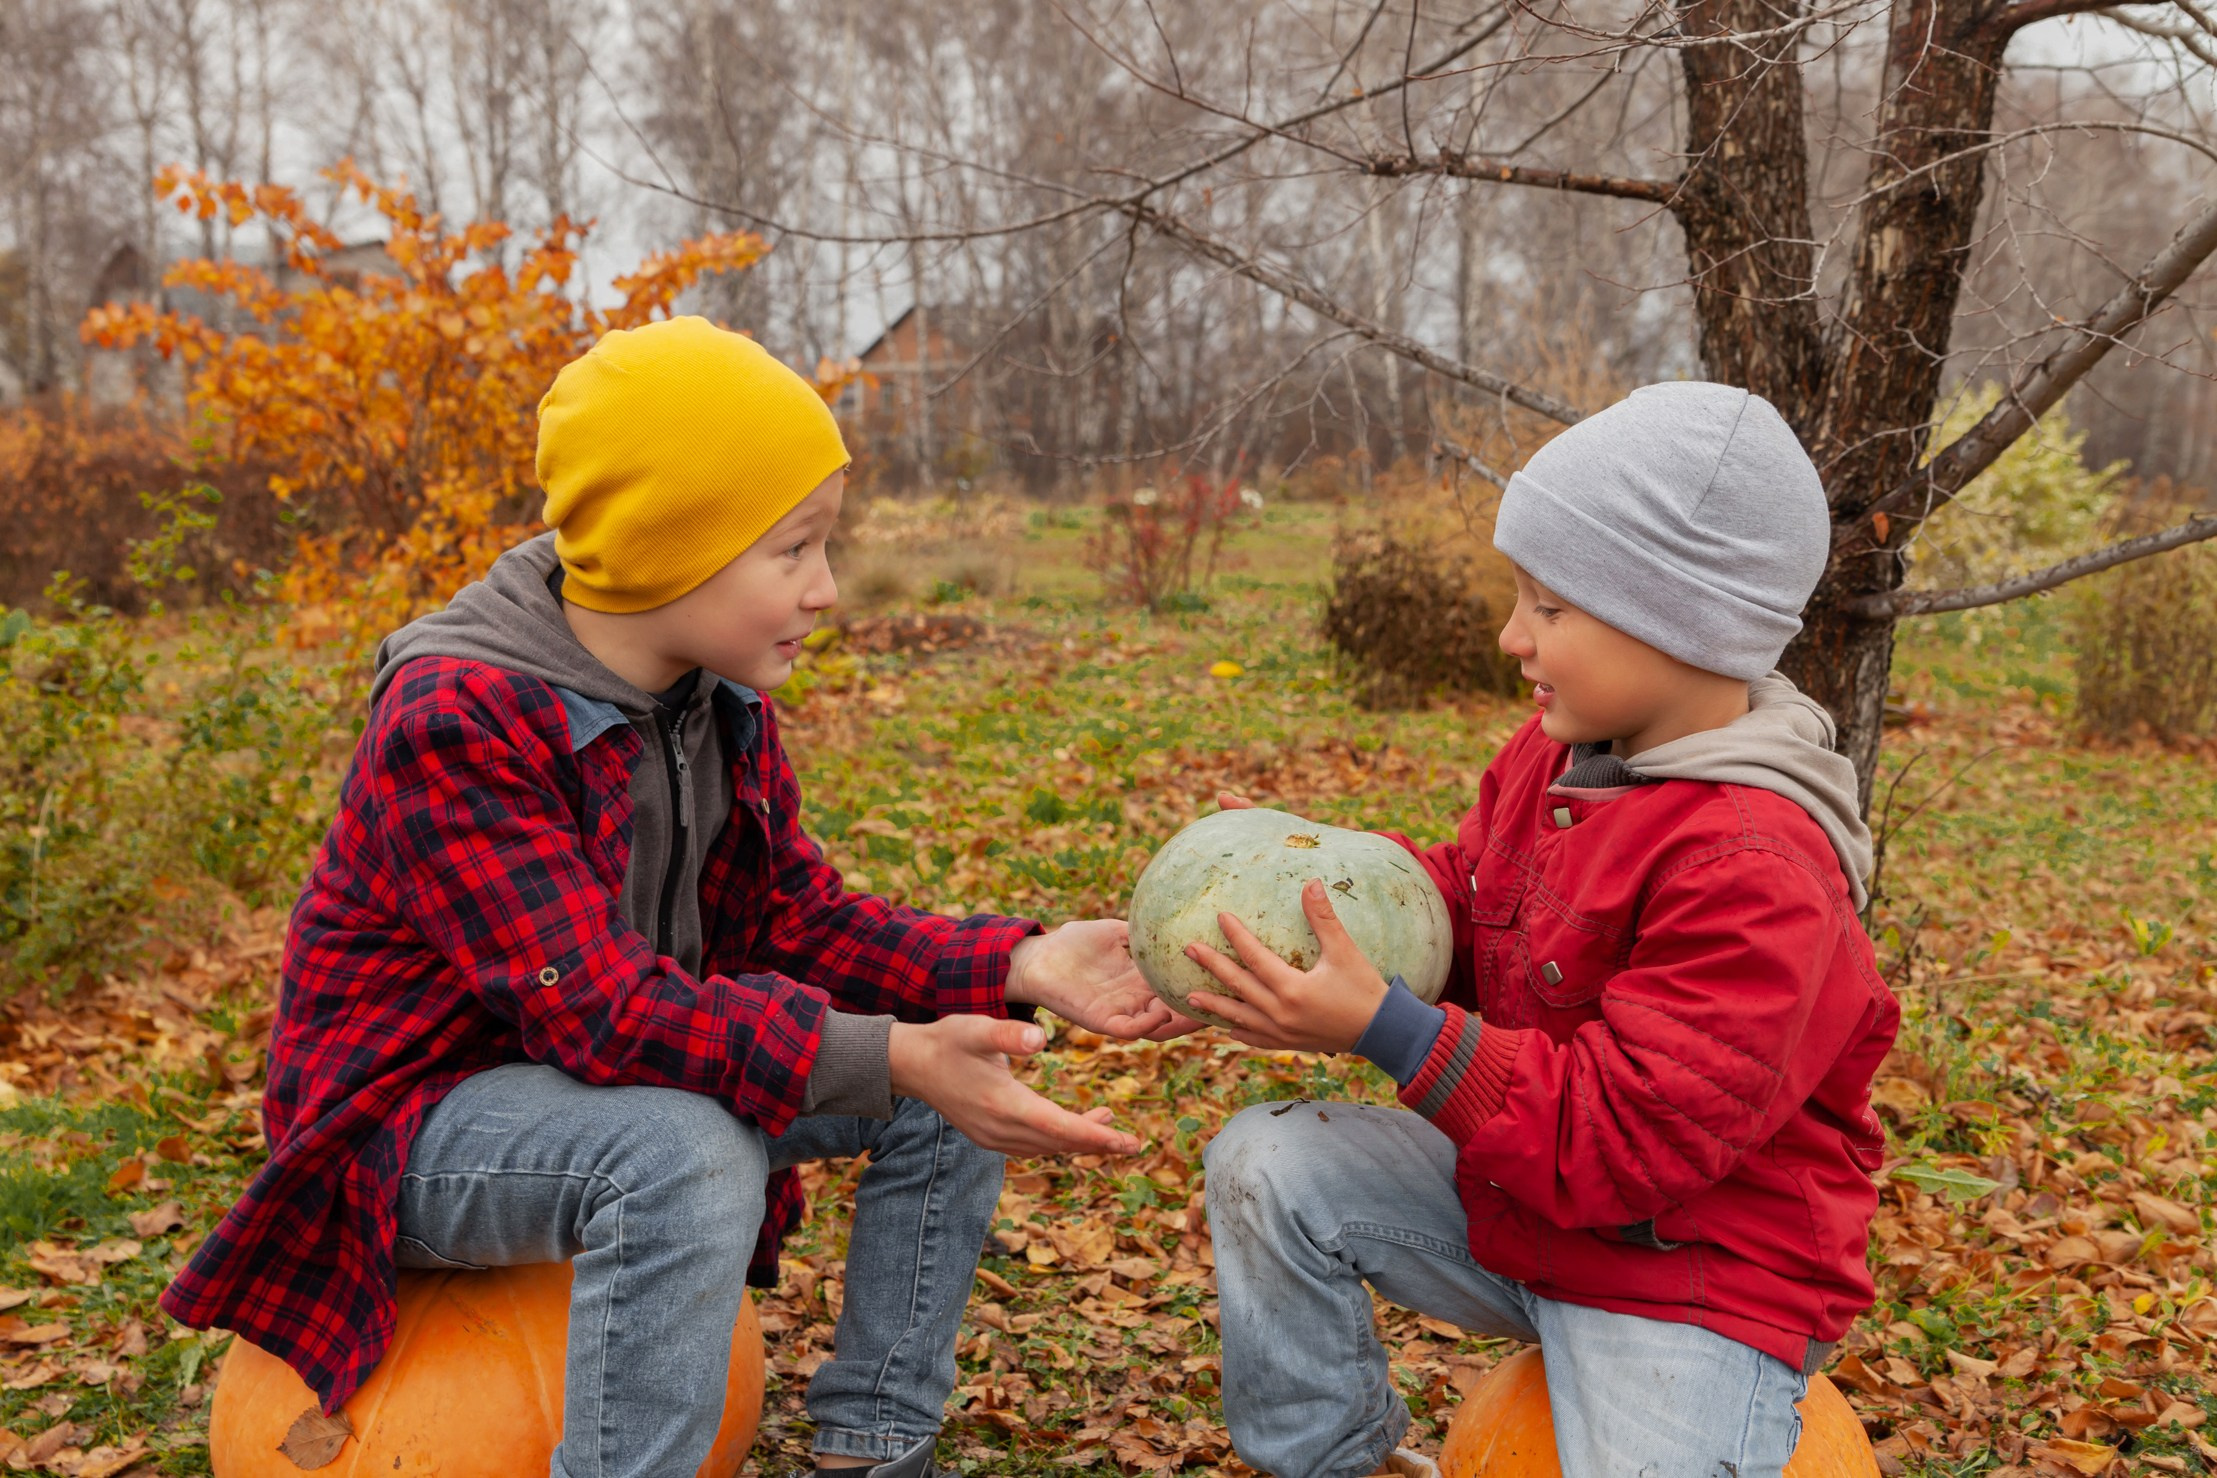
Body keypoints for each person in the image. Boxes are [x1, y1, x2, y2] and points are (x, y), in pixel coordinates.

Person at [161, 316, 1185, 1478]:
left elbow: (799, 920)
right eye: (793, 550)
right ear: (666, 549)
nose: (827, 586)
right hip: (409, 1128)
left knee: (947, 1085)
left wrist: (1018, 963)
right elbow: (599, 1009)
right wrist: (889, 1052)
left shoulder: (713, 695)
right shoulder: (456, 718)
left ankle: (874, 1447)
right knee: (685, 1144)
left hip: (592, 1087)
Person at [1187, 383, 1900, 1478]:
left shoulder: (1757, 865)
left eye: (1551, 609)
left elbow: (1624, 1140)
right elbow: (1468, 905)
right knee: (1269, 1161)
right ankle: (1334, 1458)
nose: (1513, 634)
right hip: (1531, 1212)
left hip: (1691, 1279)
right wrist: (1319, 890)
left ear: (1680, 621)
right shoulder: (1557, 757)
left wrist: (1390, 1029)